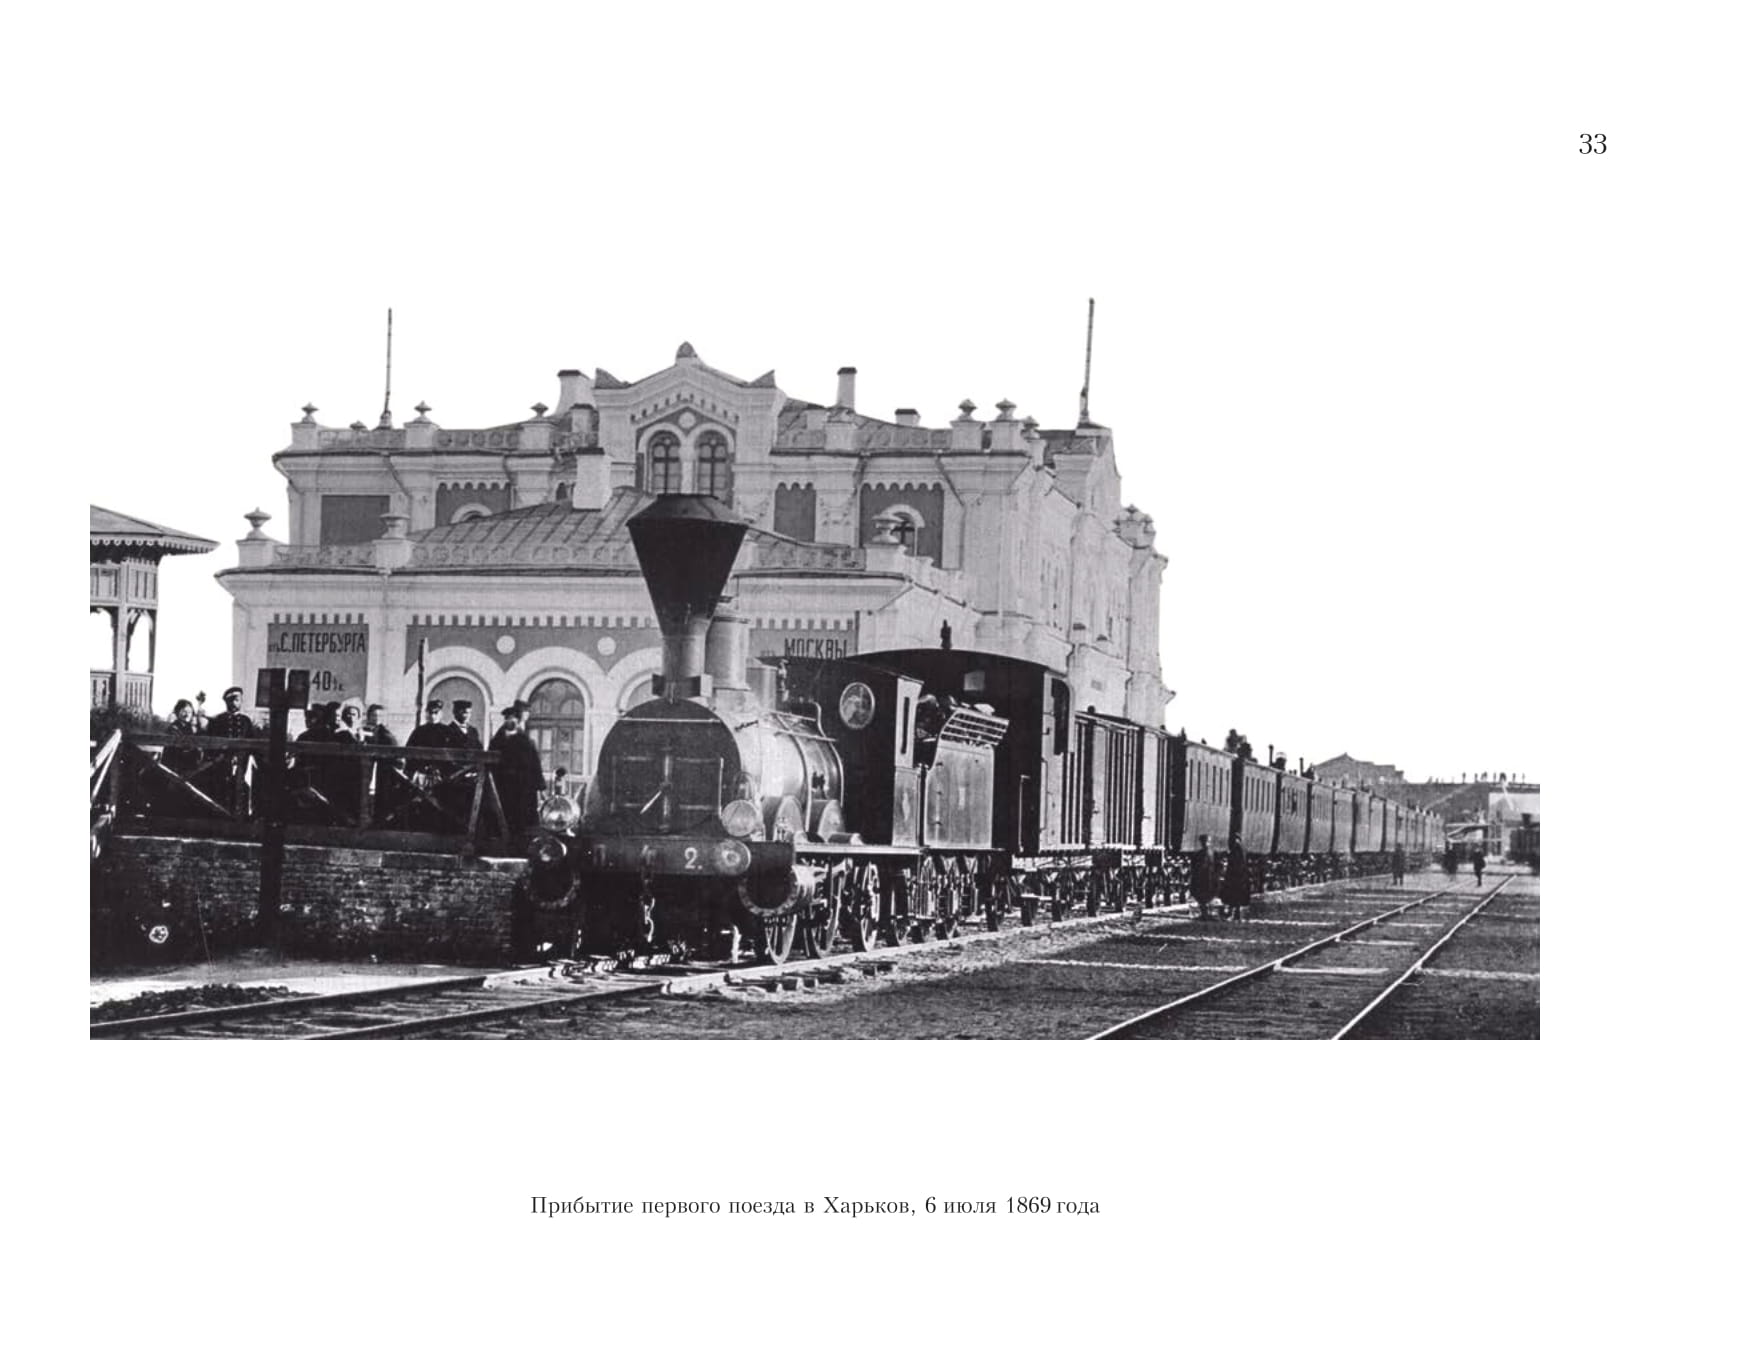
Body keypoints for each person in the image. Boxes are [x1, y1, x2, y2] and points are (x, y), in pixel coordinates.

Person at [490, 702, 546, 835]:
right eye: (507, 718)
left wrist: (540, 786)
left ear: (517, 720)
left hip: (522, 787)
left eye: (513, 718)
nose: (510, 721)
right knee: (502, 816)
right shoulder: (496, 741)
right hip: (502, 785)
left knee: (521, 818)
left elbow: (535, 765)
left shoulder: (526, 741)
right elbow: (490, 761)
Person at [203, 686, 257, 816]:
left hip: (242, 761)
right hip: (221, 762)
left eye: (237, 700)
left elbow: (252, 742)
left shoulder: (246, 721)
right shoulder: (218, 720)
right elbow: (210, 742)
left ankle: (239, 816)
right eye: (231, 700)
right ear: (226, 702)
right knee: (221, 788)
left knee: (240, 787)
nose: (234, 703)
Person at [162, 699, 201, 775]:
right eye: (184, 711)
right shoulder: (173, 728)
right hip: (174, 765)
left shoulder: (192, 728)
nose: (187, 714)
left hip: (190, 766)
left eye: (189, 712)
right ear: (177, 712)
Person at [1221, 836, 1253, 922]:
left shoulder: (1236, 850)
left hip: (1235, 877)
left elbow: (1234, 864)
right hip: (1240, 877)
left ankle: (1232, 914)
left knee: (1233, 895)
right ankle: (1236, 915)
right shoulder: (1242, 849)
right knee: (1237, 897)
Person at [1189, 835, 1219, 921]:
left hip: (1207, 878)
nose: (1205, 844)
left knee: (1206, 895)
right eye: (1204, 842)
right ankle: (1204, 913)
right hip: (1204, 878)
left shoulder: (1210, 854)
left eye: (1206, 841)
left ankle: (1206, 914)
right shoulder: (1203, 854)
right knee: (1203, 896)